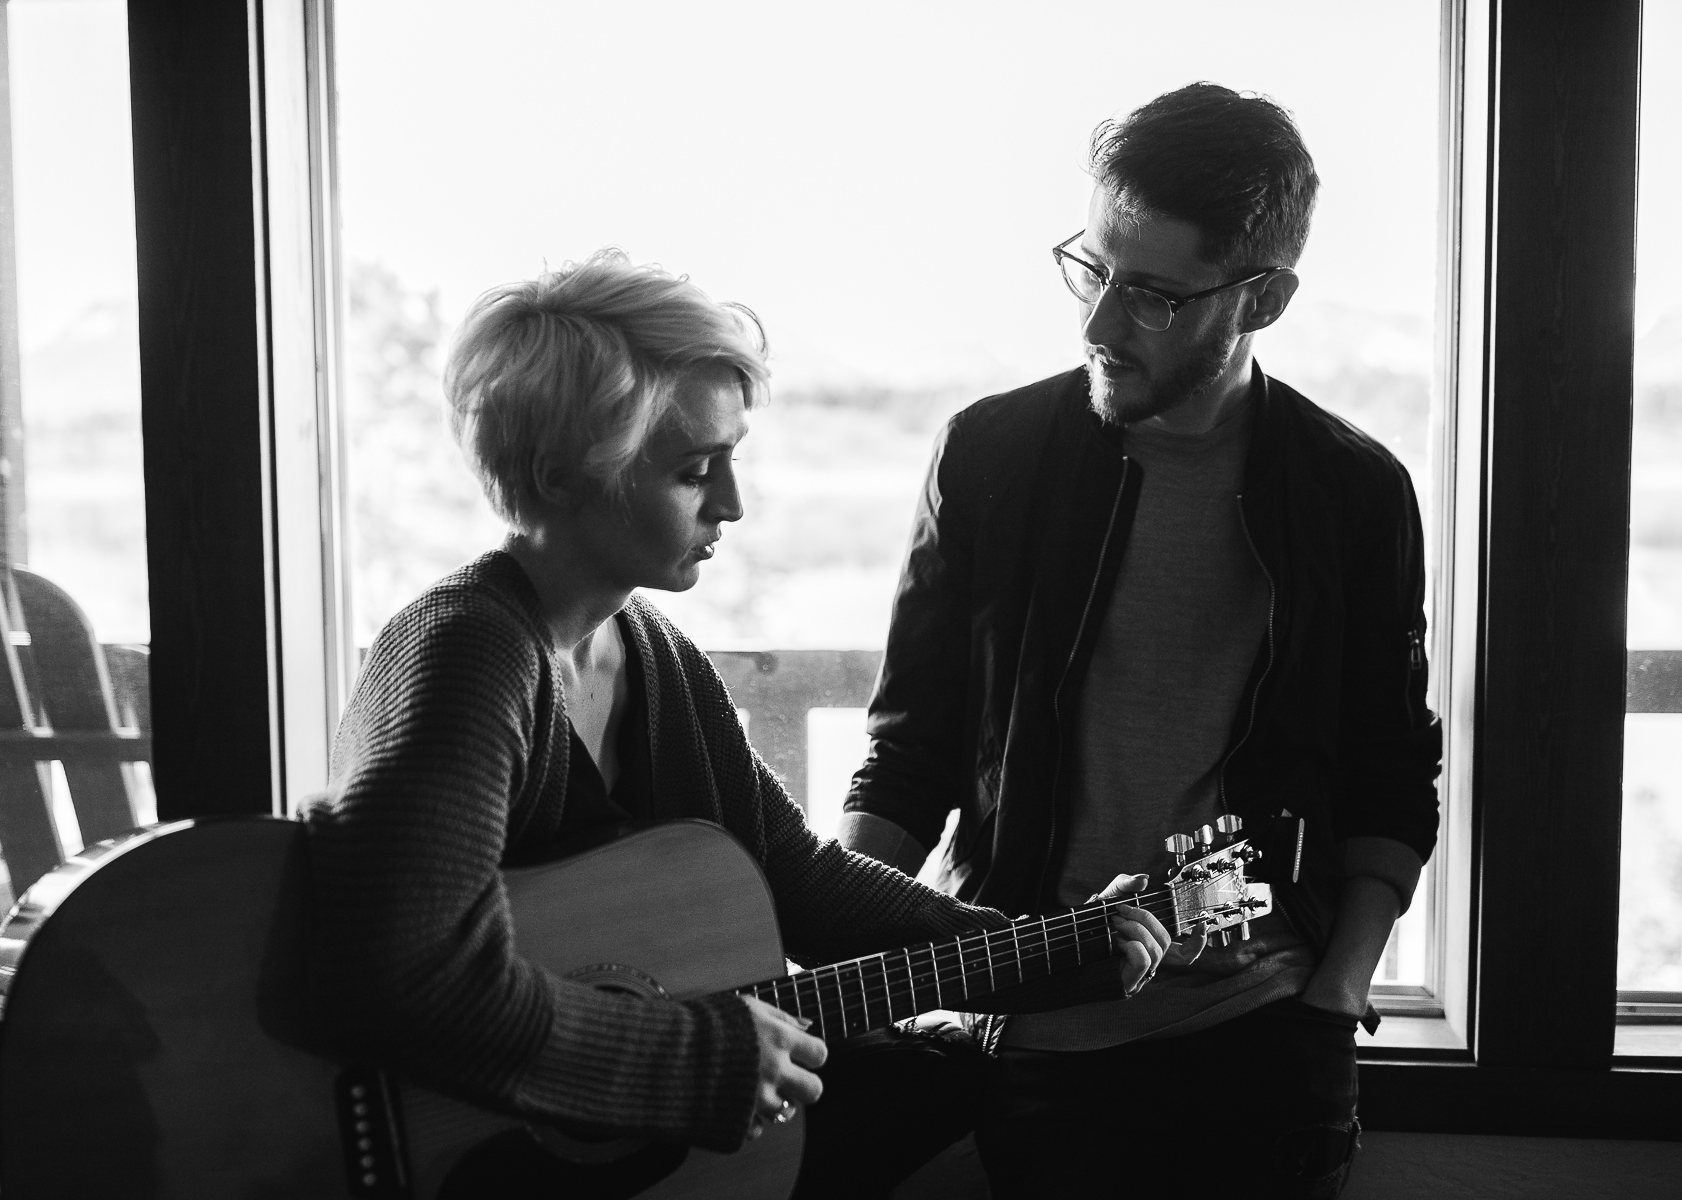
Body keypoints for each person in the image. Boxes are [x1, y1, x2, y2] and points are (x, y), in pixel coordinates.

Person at [300, 249, 1169, 1197]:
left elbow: (799, 880)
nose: (733, 504)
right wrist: (691, 1057)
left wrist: (1041, 955)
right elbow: (406, 969)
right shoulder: (465, 652)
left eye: (731, 463)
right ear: (558, 475)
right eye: (692, 471)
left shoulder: (653, 653)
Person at [839, 83, 1443, 1198]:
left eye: (1154, 295)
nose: (1100, 324)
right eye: (1094, 269)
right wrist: (827, 975)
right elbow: (911, 746)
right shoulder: (991, 455)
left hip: (1256, 1037)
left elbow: (1390, 773)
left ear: (1261, 298)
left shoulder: (1351, 494)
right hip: (1025, 1024)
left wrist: (1332, 1010)